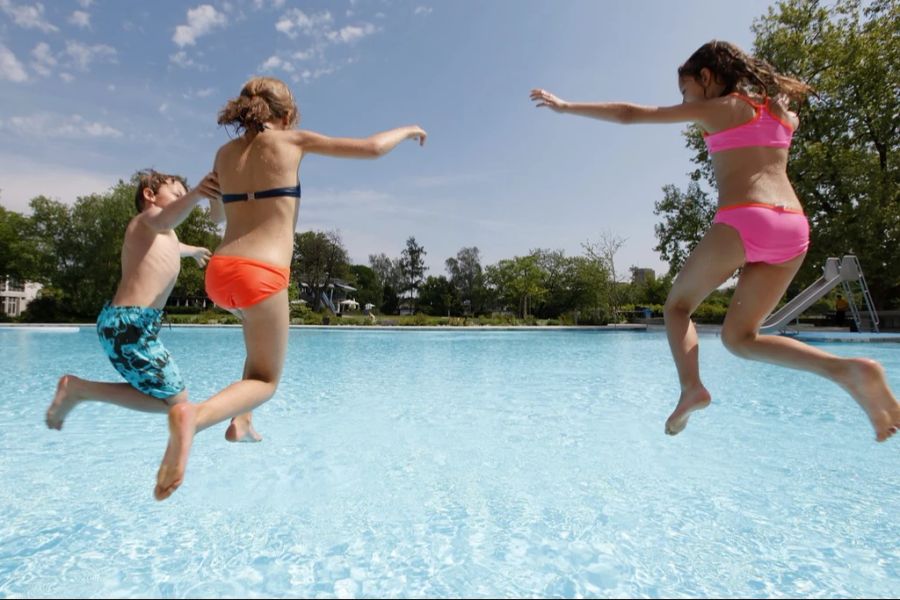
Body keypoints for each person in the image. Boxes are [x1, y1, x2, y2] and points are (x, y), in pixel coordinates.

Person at [530, 40, 900, 442]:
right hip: (793, 227)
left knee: (677, 308)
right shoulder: (780, 114)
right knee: (739, 338)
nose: (685, 100)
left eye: (686, 90)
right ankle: (846, 370)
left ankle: (692, 387)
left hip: (746, 218)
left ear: (706, 78)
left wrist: (566, 107)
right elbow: (783, 118)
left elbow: (630, 114)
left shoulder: (724, 108)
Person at [154, 76, 427, 500]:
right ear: (285, 116)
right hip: (261, 274)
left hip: (219, 273)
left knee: (257, 349)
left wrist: (214, 196)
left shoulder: (224, 153)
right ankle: (195, 418)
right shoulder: (292, 140)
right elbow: (372, 148)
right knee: (266, 380)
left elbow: (214, 221)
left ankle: (242, 423)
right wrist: (410, 129)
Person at [46, 169, 220, 431]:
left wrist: (192, 250)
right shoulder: (146, 220)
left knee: (173, 401)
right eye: (176, 194)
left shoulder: (164, 234)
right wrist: (196, 194)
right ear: (150, 195)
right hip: (129, 322)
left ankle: (80, 390)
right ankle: (79, 389)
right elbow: (164, 220)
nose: (183, 200)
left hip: (133, 324)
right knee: (176, 402)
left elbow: (174, 244)